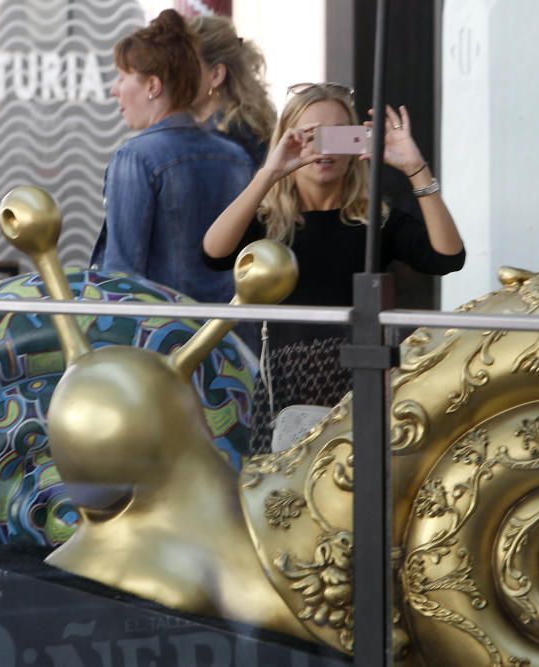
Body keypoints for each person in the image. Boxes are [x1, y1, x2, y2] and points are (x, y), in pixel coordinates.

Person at [203, 82, 465, 454]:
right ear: (287, 139)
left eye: (339, 135)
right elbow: (213, 253)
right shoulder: (270, 221)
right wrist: (270, 173)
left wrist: (415, 168)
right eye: (310, 135)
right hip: (284, 388)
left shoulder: (376, 219)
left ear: (358, 141)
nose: (324, 148)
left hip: (360, 380)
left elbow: (447, 257)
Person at [90, 9, 254, 305]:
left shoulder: (136, 158)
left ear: (153, 86)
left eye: (122, 77)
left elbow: (121, 277)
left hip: (165, 339)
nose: (115, 90)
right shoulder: (236, 157)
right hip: (231, 337)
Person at [189, 15, 275, 166]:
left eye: (185, 64)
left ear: (216, 75)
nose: (173, 76)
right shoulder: (243, 124)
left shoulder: (223, 138)